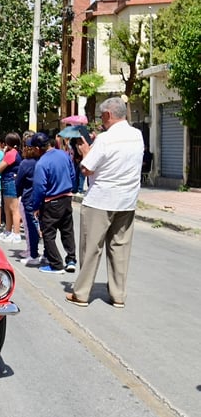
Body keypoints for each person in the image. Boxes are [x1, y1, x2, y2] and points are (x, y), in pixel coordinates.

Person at [67, 97, 144, 308]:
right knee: (120, 248)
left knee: (91, 248)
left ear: (109, 115)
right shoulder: (137, 135)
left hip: (101, 199)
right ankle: (118, 295)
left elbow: (87, 169)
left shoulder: (105, 139)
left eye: (102, 116)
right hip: (127, 200)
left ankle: (81, 293)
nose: (101, 120)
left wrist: (85, 153)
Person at [31, 132, 77, 274]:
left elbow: (39, 187)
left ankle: (56, 264)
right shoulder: (63, 155)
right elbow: (72, 174)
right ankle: (71, 260)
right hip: (66, 197)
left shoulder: (42, 163)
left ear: (38, 148)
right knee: (67, 230)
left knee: (48, 234)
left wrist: (36, 206)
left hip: (51, 201)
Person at [16, 132, 43, 266]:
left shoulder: (25, 163)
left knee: (31, 226)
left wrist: (18, 194)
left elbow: (19, 182)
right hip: (43, 196)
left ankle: (33, 253)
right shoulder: (41, 161)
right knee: (44, 226)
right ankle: (48, 254)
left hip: (29, 197)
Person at [0, 133, 23, 243]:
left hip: (10, 181)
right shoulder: (15, 153)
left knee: (13, 209)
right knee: (7, 208)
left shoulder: (11, 154)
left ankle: (16, 233)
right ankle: (8, 231)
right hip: (9, 181)